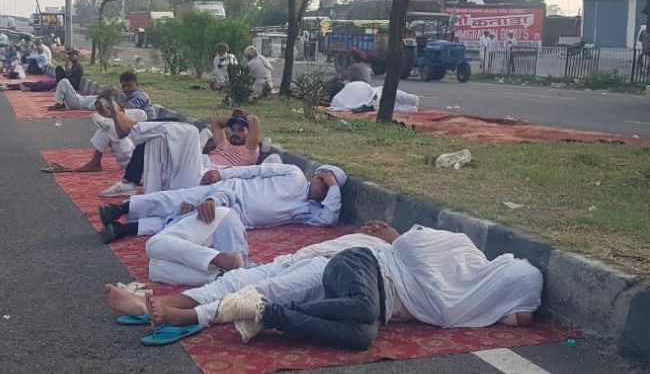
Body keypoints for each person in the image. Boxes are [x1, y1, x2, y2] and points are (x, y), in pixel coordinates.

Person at [106, 224, 543, 349]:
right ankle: (183, 312)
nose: (524, 314)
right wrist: (394, 241)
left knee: (361, 335)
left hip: (371, 297)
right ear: (503, 277)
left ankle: (253, 316)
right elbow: (413, 245)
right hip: (360, 267)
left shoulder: (469, 302)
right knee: (266, 283)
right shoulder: (460, 250)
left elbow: (516, 316)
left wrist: (513, 308)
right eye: (516, 290)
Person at [98, 162, 346, 247]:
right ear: (316, 175)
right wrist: (223, 175)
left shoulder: (309, 210)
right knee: (175, 199)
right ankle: (118, 210)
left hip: (236, 217)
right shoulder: (294, 174)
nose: (321, 190)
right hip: (228, 190)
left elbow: (329, 220)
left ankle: (123, 230)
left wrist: (334, 186)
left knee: (186, 222)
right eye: (322, 182)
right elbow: (254, 170)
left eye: (326, 190)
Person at [100, 109, 260, 197]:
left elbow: (254, 122)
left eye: (241, 131)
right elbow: (216, 121)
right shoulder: (224, 144)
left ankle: (130, 127)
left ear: (250, 133)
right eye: (233, 130)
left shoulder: (249, 151)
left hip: (202, 175)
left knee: (188, 130)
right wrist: (234, 119)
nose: (235, 133)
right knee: (156, 137)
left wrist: (245, 117)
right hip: (184, 170)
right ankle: (130, 182)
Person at [329, 81, 419, 114]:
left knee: (411, 108)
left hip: (375, 102)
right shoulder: (352, 85)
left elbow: (345, 108)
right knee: (413, 101)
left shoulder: (337, 100)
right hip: (378, 93)